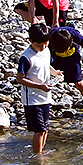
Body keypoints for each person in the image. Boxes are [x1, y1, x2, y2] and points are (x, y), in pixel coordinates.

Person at [14, 21, 60, 157]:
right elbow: (19, 79)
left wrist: (55, 73)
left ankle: (41, 151)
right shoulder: (26, 57)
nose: (43, 47)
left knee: (45, 129)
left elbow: (47, 66)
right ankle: (38, 156)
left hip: (45, 97)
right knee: (39, 130)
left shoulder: (45, 51)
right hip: (33, 99)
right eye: (39, 45)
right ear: (30, 41)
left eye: (45, 44)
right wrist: (40, 86)